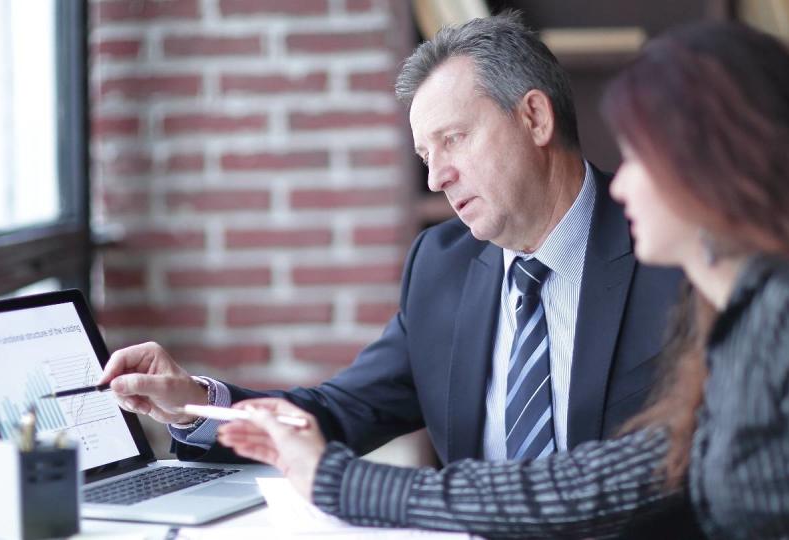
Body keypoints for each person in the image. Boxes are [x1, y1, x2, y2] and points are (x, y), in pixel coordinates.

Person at [217, 21, 789, 539]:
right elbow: (597, 481)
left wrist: (342, 482)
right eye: (425, 156)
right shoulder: (746, 317)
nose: (621, 182)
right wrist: (227, 415)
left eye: (642, 159)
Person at [100, 12, 679, 490]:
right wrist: (195, 404)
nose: (437, 179)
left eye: (453, 139)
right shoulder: (442, 265)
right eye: (426, 156)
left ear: (534, 117)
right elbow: (338, 413)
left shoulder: (672, 252)